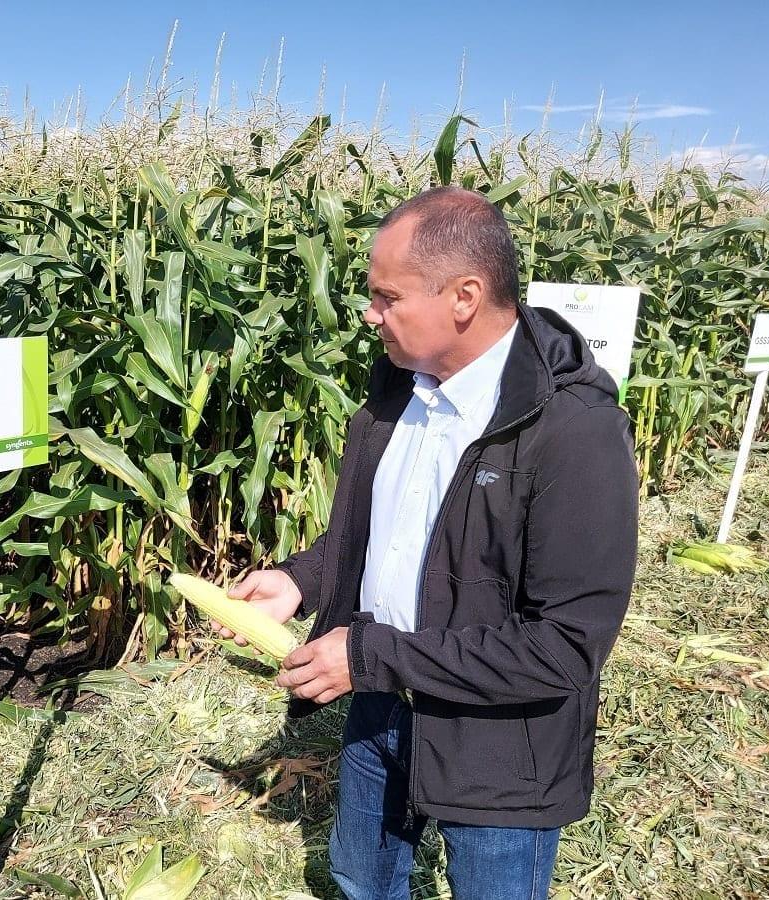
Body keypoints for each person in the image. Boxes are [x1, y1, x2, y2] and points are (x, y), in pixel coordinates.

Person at [217, 186, 639, 899]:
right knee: (361, 879)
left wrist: (371, 656)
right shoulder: (399, 391)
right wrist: (302, 580)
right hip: (380, 707)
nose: (368, 313)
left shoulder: (575, 432)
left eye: (387, 297)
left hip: (501, 745)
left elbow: (565, 646)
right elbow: (389, 531)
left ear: (464, 297)